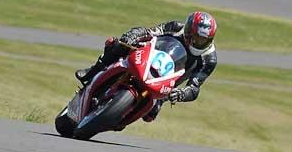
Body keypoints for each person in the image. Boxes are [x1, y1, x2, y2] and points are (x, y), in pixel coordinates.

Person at [75, 11, 217, 122]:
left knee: (150, 115)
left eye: (202, 40)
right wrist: (133, 35)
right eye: (195, 37)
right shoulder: (176, 27)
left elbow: (194, 88)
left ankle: (117, 118)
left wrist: (180, 94)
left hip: (165, 84)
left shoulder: (209, 59)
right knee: (118, 45)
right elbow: (150, 32)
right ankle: (94, 70)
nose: (196, 42)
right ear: (188, 30)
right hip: (148, 57)